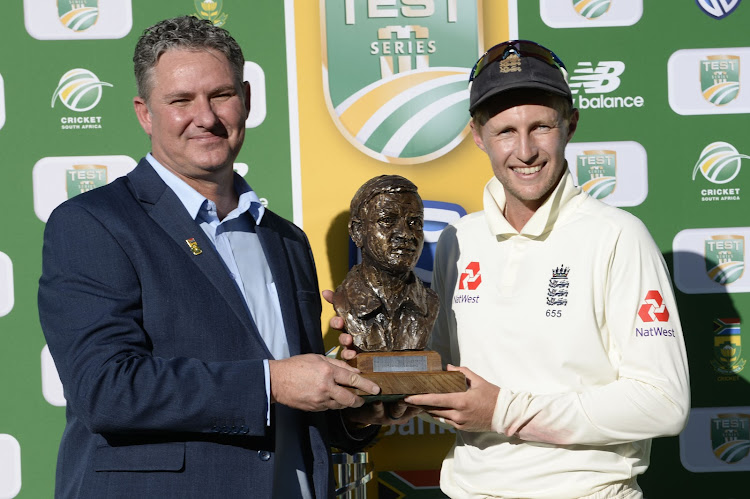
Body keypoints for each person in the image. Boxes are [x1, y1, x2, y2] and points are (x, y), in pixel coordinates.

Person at [38, 16, 407, 499]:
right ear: (145, 113)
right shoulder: (94, 223)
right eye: (180, 101)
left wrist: (351, 412)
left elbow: (294, 409)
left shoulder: (286, 241)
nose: (206, 117)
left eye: (221, 95)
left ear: (247, 100)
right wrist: (270, 382)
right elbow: (106, 388)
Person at [338, 40, 690, 498]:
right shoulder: (459, 239)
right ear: (478, 136)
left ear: (570, 125)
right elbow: (447, 373)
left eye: (540, 127)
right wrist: (378, 385)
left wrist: (504, 411)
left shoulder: (618, 236)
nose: (524, 151)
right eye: (505, 131)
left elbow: (664, 404)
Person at [333, 175, 439, 352]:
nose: (405, 234)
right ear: (358, 231)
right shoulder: (345, 300)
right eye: (387, 220)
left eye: (415, 222)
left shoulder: (431, 303)